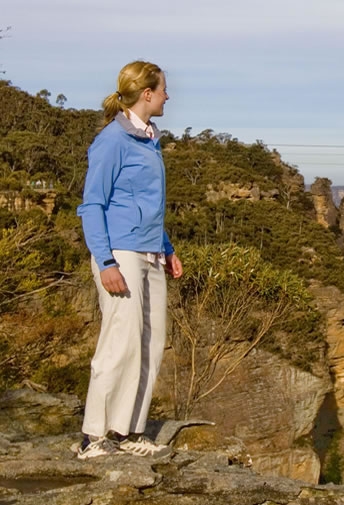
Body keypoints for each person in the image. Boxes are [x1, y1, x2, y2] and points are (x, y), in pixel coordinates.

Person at [75, 60, 184, 459]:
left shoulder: (150, 138)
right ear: (147, 93)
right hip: (121, 252)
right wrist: (105, 262)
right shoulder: (112, 140)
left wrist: (167, 249)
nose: (169, 96)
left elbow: (148, 205)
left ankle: (129, 430)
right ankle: (93, 435)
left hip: (151, 251)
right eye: (164, 89)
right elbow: (92, 205)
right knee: (119, 342)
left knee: (151, 344)